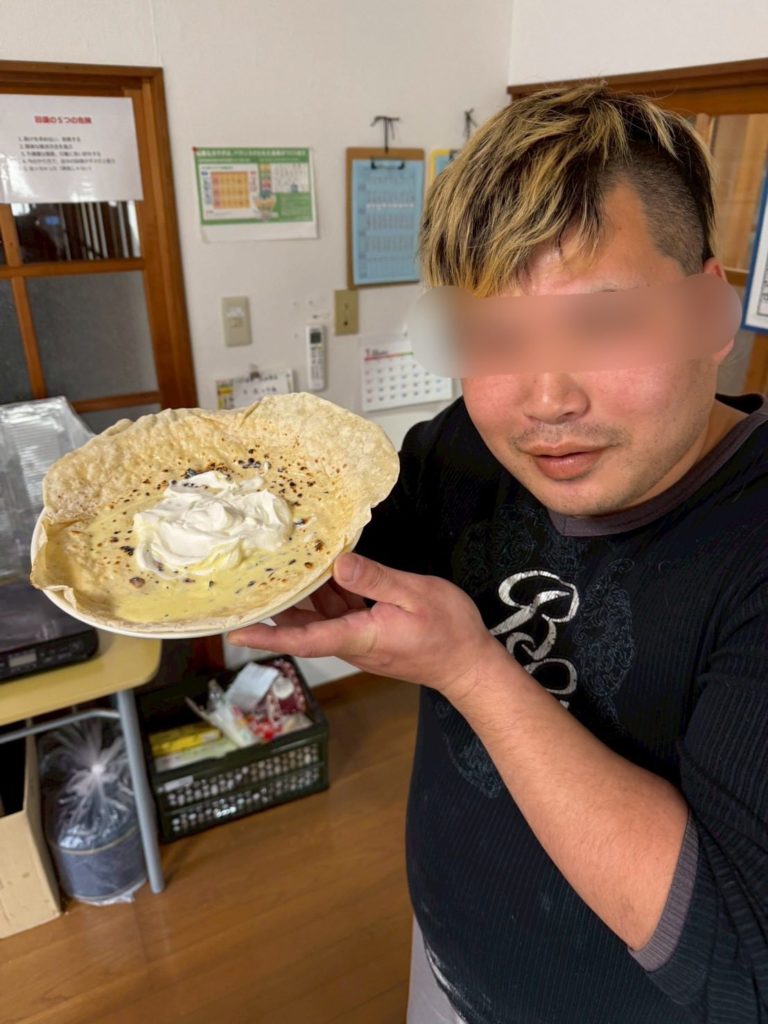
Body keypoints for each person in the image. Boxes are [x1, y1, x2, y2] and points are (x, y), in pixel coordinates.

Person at [229, 82, 768, 1023]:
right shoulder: (461, 450)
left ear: (709, 312)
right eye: (494, 336)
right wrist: (285, 574)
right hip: (449, 971)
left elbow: (741, 969)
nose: (546, 400)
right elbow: (353, 575)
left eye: (603, 322)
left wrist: (472, 672)